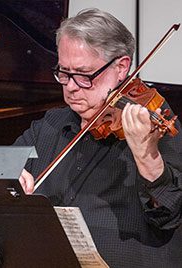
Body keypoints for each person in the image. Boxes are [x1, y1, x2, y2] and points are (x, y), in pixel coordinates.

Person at [14, 8, 182, 268]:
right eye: (64, 72)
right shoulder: (50, 125)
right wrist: (7, 177)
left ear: (121, 67)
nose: (70, 86)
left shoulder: (155, 126)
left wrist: (146, 157)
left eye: (83, 75)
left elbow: (169, 215)